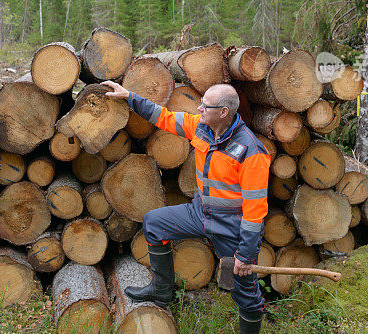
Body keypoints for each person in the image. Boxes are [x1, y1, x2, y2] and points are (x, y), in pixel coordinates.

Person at [102, 80, 271, 334]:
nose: (199, 108)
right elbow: (164, 117)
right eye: (201, 103)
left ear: (223, 112)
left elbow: (255, 210)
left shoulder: (251, 151)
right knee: (154, 223)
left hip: (232, 227)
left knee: (245, 292)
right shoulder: (201, 127)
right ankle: (161, 291)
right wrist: (129, 96)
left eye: (206, 105)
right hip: (200, 212)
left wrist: (246, 254)